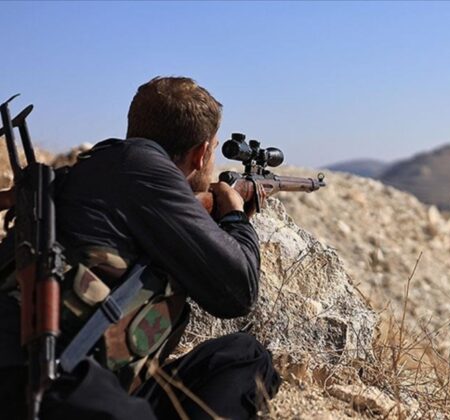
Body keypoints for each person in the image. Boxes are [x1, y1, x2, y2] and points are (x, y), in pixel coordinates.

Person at [0, 76, 281, 419]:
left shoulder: (99, 167)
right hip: (48, 374)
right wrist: (236, 217)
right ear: (203, 152)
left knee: (245, 356)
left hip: (58, 360)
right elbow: (238, 292)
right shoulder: (147, 171)